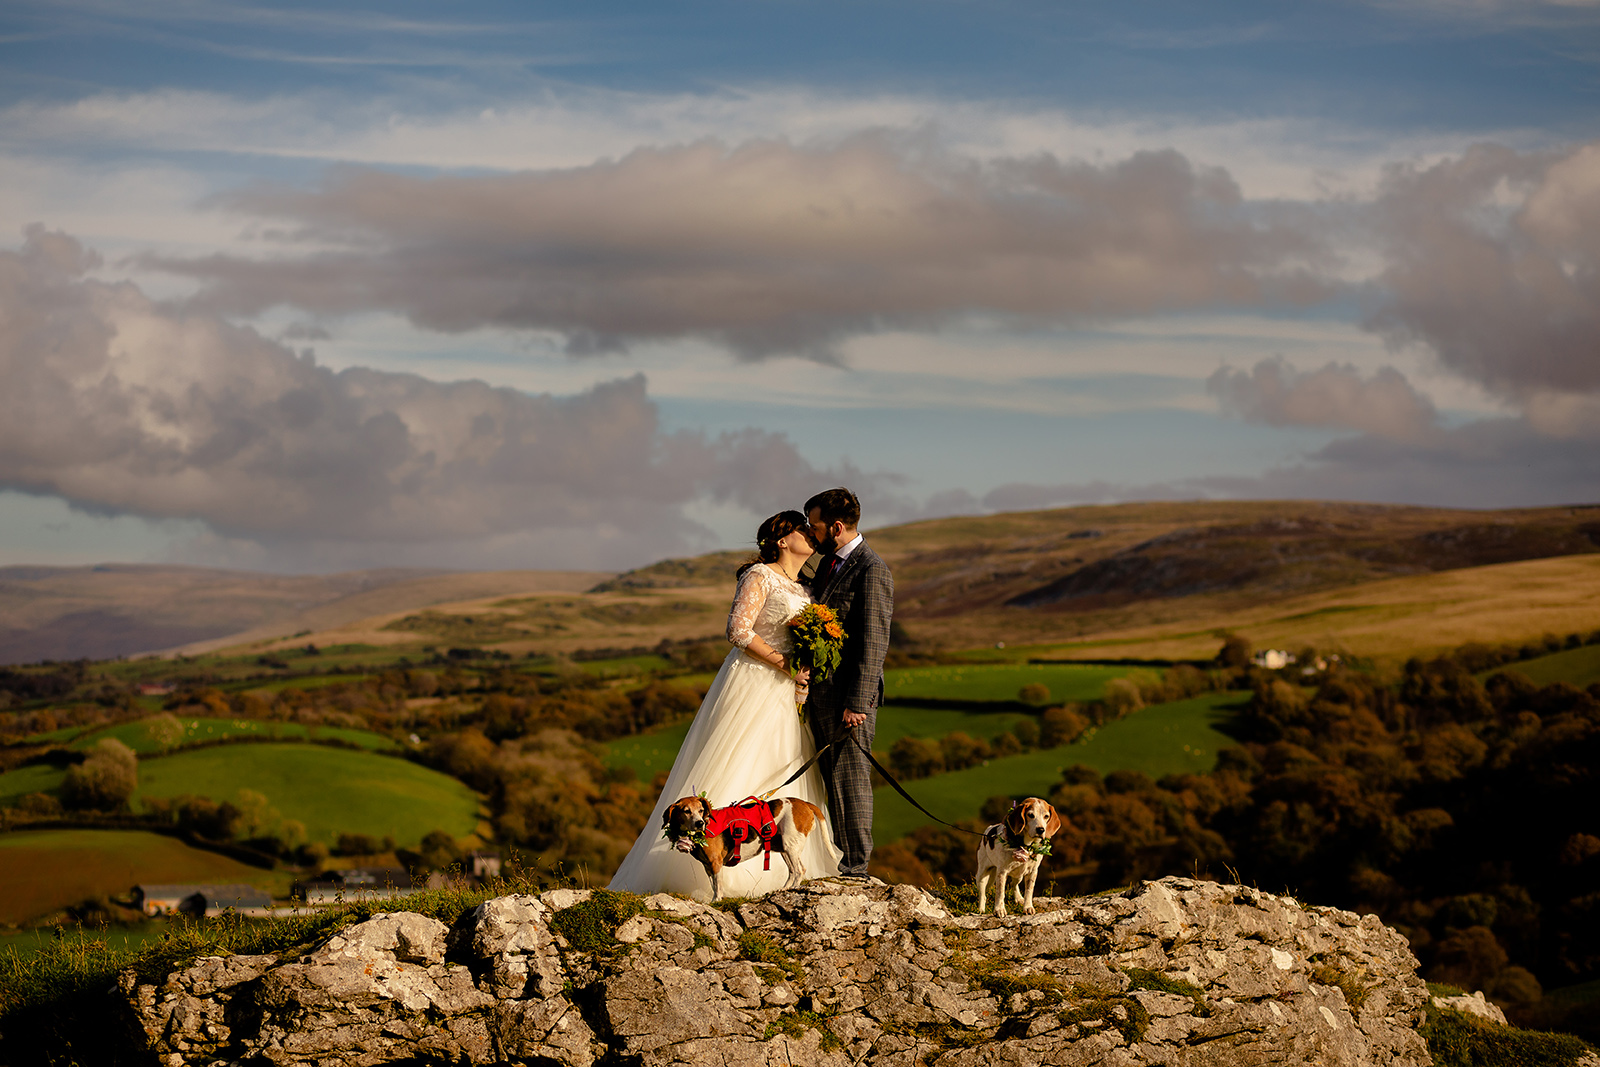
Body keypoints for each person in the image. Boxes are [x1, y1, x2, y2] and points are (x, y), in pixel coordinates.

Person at [608, 510, 841, 898]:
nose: (809, 533)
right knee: (739, 759)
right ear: (782, 539)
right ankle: (717, 868)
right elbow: (737, 629)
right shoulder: (759, 575)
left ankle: (784, 866)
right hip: (754, 681)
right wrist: (784, 665)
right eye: (801, 528)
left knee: (782, 760)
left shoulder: (806, 588)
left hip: (789, 692)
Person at [803, 487, 894, 880]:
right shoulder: (828, 564)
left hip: (849, 701)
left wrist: (858, 703)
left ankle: (855, 870)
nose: (810, 533)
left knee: (850, 784)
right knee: (829, 782)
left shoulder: (871, 569)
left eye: (815, 526)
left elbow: (874, 640)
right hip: (821, 695)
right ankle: (834, 863)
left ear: (836, 527)